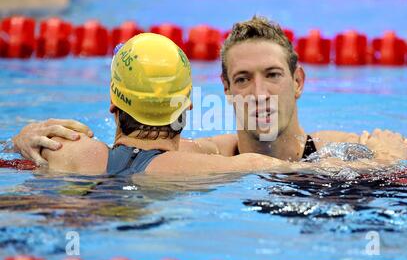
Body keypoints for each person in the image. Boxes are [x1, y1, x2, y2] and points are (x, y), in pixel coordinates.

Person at [12, 16, 407, 166]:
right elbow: (122, 158)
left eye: (273, 75)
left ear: (298, 82)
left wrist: (393, 163)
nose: (259, 92)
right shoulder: (204, 155)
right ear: (226, 90)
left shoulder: (348, 148)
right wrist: (29, 139)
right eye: (243, 79)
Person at [37, 33, 298, 177]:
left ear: (113, 106)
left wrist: (22, 139)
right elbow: (310, 171)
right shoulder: (206, 168)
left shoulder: (66, 150)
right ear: (186, 107)